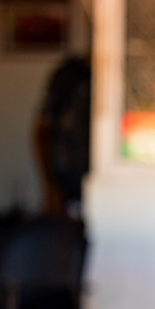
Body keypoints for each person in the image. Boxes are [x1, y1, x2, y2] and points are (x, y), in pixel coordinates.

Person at [34, 55, 91, 217]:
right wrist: (50, 186)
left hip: (110, 188)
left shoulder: (121, 75)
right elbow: (42, 130)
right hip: (68, 184)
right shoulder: (69, 76)